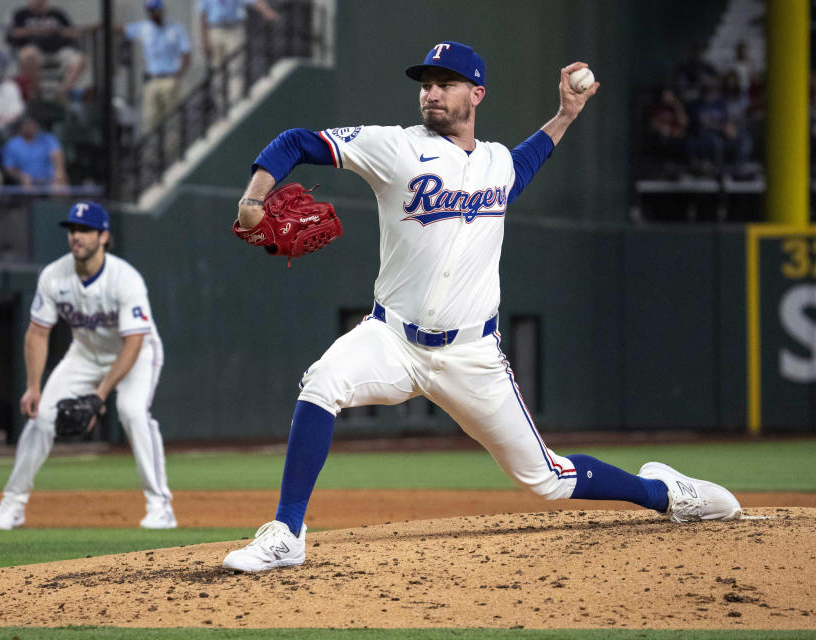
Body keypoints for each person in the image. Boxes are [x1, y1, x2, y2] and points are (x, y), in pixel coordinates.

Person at [221, 41, 743, 573]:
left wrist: (565, 115)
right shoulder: (394, 148)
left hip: (472, 355)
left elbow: (523, 165)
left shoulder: (495, 163)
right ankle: (287, 532)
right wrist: (254, 200)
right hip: (391, 339)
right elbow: (297, 142)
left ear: (477, 93)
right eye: (426, 83)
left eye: (445, 83)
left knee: (547, 479)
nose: (431, 92)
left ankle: (667, 493)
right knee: (322, 381)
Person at [0, 201, 175, 530]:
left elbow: (133, 342)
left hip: (138, 352)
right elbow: (37, 333)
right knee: (42, 416)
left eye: (85, 230)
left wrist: (100, 396)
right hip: (85, 354)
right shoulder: (54, 276)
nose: (77, 236)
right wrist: (33, 386)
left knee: (132, 412)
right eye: (73, 229)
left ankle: (160, 506)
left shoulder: (124, 279)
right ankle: (12, 504)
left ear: (103, 236)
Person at [123, 0, 191, 134]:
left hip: (170, 78)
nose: (153, 14)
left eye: (155, 10)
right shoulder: (144, 28)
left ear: (162, 10)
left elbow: (186, 52)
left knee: (172, 121)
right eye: (150, 11)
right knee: (150, 122)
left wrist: (179, 74)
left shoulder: (175, 28)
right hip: (152, 80)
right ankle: (153, 155)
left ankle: (173, 153)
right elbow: (122, 28)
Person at [198, 0, 278, 110]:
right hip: (215, 30)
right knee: (217, 71)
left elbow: (254, 1)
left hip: (234, 30)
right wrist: (204, 41)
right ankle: (222, 106)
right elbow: (202, 15)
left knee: (236, 67)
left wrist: (266, 11)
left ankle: (234, 104)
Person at [7, 0, 85, 100]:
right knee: (28, 55)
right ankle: (38, 94)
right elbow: (13, 33)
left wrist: (59, 30)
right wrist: (37, 31)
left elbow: (72, 32)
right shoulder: (21, 14)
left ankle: (62, 92)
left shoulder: (57, 14)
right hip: (33, 48)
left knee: (80, 60)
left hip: (60, 50)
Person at [2, 113, 67, 188]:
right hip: (25, 182)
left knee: (61, 187)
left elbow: (57, 158)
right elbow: (9, 168)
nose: (30, 127)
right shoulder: (12, 144)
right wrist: (21, 176)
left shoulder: (48, 139)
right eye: (26, 124)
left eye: (32, 124)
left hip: (49, 180)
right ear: (20, 127)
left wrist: (59, 175)